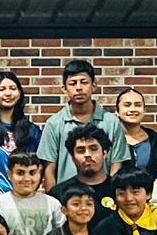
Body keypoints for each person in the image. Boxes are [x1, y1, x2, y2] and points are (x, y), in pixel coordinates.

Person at [38, 60, 130, 188]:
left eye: (84, 82)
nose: (79, 88)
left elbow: (116, 164)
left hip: (104, 196)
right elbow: (49, 170)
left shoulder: (111, 122)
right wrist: (54, 198)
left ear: (94, 86)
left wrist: (111, 194)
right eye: (72, 83)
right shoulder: (54, 123)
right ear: (64, 88)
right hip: (67, 196)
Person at [48, 125, 118, 229]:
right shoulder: (58, 193)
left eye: (93, 149)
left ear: (104, 153)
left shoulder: (119, 189)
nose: (87, 155)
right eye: (81, 150)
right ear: (73, 157)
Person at [116, 88, 157, 175]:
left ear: (144, 111)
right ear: (117, 111)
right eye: (127, 105)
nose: (133, 109)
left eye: (138, 105)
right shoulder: (109, 140)